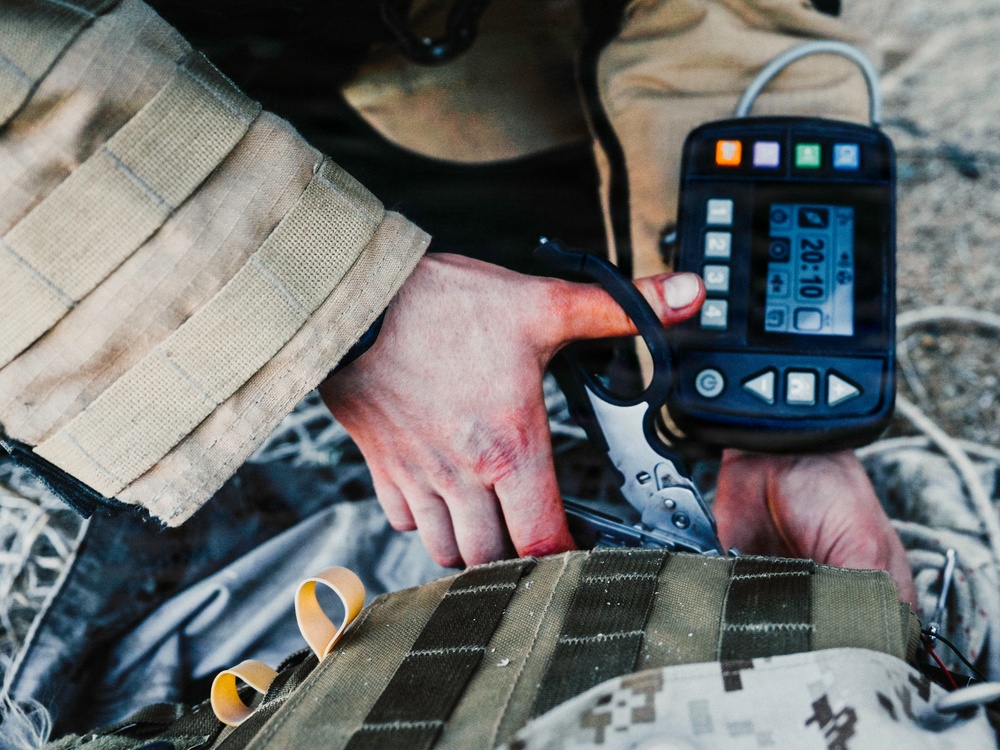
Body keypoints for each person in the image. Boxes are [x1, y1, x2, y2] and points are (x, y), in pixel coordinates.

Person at [0, 0, 913, 601]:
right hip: (91, 81)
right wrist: (348, 308)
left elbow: (730, 15)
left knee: (559, 233)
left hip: (452, 51)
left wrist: (764, 407)